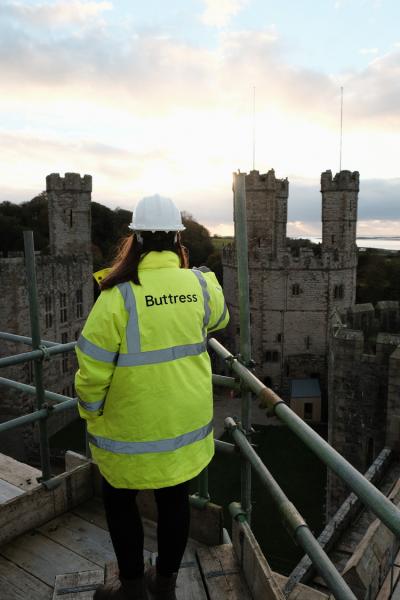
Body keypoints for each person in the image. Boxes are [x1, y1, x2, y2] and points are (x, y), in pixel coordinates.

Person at [74, 194, 229, 600]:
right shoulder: (200, 283)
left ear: (135, 239)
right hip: (182, 428)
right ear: (178, 237)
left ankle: (131, 590)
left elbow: (91, 370)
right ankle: (165, 586)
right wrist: (194, 272)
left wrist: (90, 412)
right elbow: (220, 318)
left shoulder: (116, 294)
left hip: (128, 430)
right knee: (175, 503)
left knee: (120, 502)